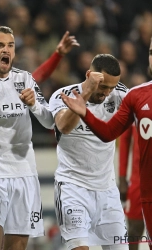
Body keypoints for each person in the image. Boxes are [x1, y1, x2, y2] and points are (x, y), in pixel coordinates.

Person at [0, 30, 80, 250]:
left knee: (17, 246)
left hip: (23, 174)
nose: (6, 49)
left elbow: (49, 122)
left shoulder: (25, 79)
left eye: (10, 45)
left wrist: (34, 105)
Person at [60, 39, 152, 249]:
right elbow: (110, 133)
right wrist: (84, 112)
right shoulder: (136, 96)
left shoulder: (129, 95)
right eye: (151, 51)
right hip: (148, 193)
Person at [49, 54, 128, 250]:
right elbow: (63, 126)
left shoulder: (119, 95)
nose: (107, 93)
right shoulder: (63, 94)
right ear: (89, 75)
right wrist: (85, 95)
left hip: (108, 192)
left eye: (112, 87)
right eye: (103, 87)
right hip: (73, 189)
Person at [119, 124, 144, 250]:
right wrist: (122, 178)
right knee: (134, 230)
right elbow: (124, 138)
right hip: (138, 180)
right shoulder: (134, 104)